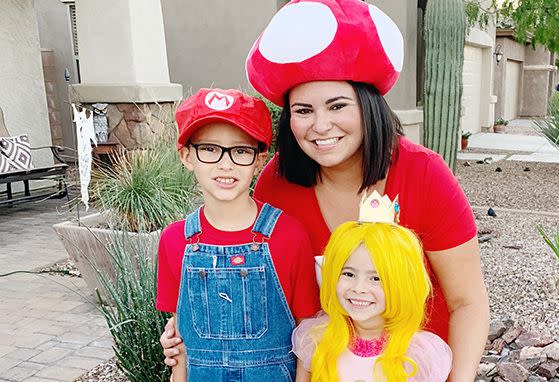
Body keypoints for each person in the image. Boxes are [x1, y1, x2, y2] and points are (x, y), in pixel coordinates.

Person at [162, 1, 489, 380]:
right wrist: (191, 334)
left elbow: (468, 302)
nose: (320, 125)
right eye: (303, 110)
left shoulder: (425, 175)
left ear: (368, 106)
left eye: (337, 106)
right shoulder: (276, 185)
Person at [156, 88, 320, 381]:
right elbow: (179, 341)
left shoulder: (288, 234)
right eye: (209, 149)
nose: (225, 163)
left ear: (259, 160)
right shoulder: (175, 240)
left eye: (241, 151)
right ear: (186, 155)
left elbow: (307, 332)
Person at [293, 191, 452, 381]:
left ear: (404, 284)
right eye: (348, 274)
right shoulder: (316, 341)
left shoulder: (419, 354)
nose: (359, 288)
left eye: (376, 278)